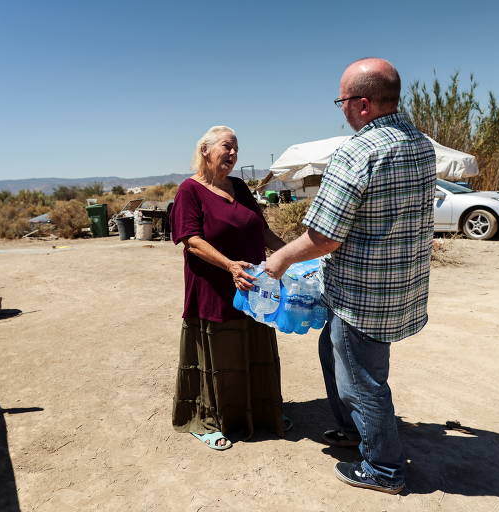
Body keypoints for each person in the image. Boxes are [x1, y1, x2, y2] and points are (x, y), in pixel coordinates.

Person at [265, 58, 436, 493]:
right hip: (399, 289)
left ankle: (384, 469)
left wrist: (281, 259)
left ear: (362, 104)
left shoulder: (358, 152)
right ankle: (356, 432)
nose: (339, 109)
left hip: (363, 296)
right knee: (335, 352)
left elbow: (323, 236)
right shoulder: (421, 144)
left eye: (341, 101)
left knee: (363, 382)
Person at [170, 125, 289, 450]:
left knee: (253, 348)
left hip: (254, 290)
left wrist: (289, 254)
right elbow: (191, 241)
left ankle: (261, 413)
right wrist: (230, 266)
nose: (234, 154)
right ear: (205, 150)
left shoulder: (238, 186)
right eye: (227, 147)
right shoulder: (189, 190)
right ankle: (207, 421)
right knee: (218, 356)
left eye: (237, 148)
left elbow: (260, 229)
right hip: (213, 289)